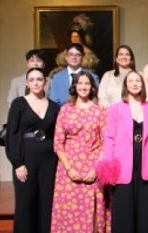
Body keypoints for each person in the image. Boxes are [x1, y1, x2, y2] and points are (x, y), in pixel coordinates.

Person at [98, 71, 148, 233]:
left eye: (138, 80)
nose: (135, 83)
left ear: (142, 85)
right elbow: (109, 137)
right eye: (131, 80)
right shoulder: (115, 108)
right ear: (126, 85)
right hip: (122, 165)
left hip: (144, 162)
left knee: (143, 208)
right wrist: (109, 167)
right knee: (123, 207)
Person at [50, 71, 109, 232]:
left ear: (92, 87)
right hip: (68, 169)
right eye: (80, 83)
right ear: (74, 87)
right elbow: (58, 143)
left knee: (92, 209)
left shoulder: (100, 111)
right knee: (69, 209)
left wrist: (96, 169)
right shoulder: (65, 110)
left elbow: (106, 143)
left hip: (93, 167)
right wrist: (69, 169)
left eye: (87, 84)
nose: (83, 87)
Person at [6, 67, 60, 233]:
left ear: (45, 81)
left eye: (39, 79)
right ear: (27, 83)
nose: (36, 83)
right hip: (26, 159)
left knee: (47, 202)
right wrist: (17, 163)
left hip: (49, 161)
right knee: (26, 202)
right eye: (32, 80)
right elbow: (12, 135)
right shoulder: (19, 104)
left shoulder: (54, 106)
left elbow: (57, 135)